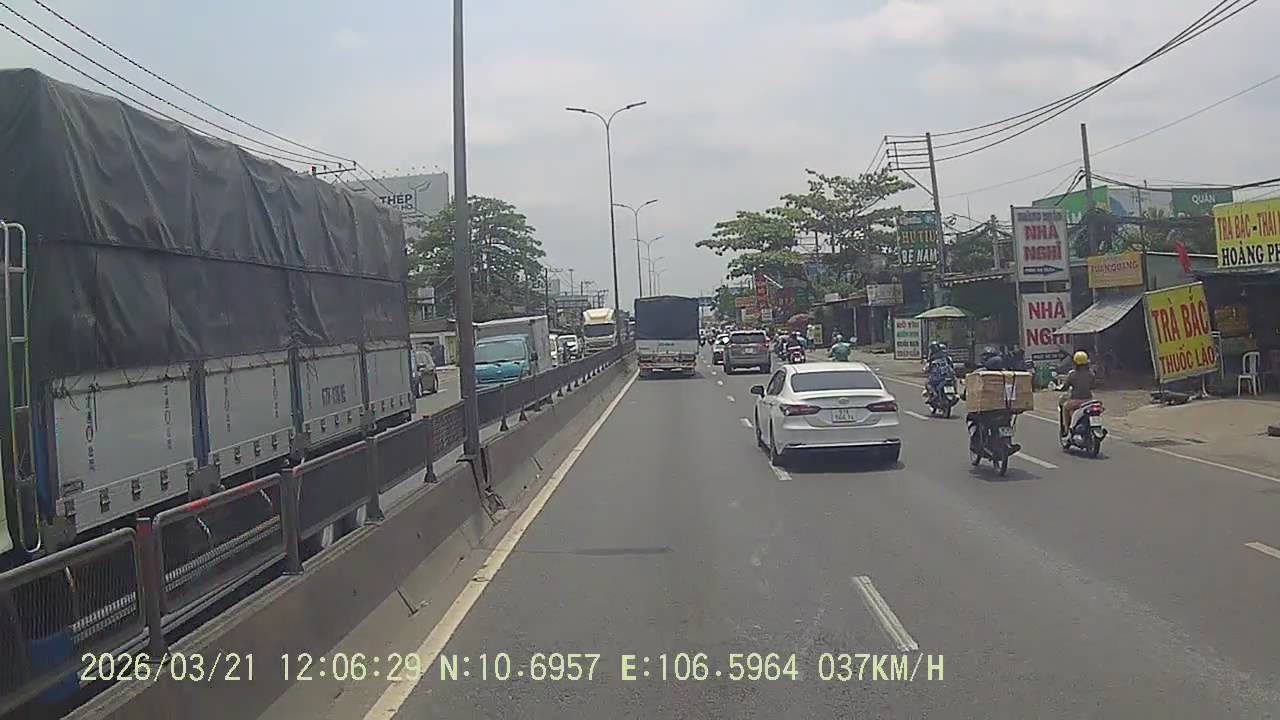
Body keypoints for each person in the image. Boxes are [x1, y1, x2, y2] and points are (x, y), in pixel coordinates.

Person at [1058, 350, 1096, 436]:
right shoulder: (1091, 373)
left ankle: (1066, 429)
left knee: (1065, 407)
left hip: (1076, 401)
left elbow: (1066, 386)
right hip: (1089, 400)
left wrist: (1059, 388)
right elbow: (1093, 386)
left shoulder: (1072, 374)